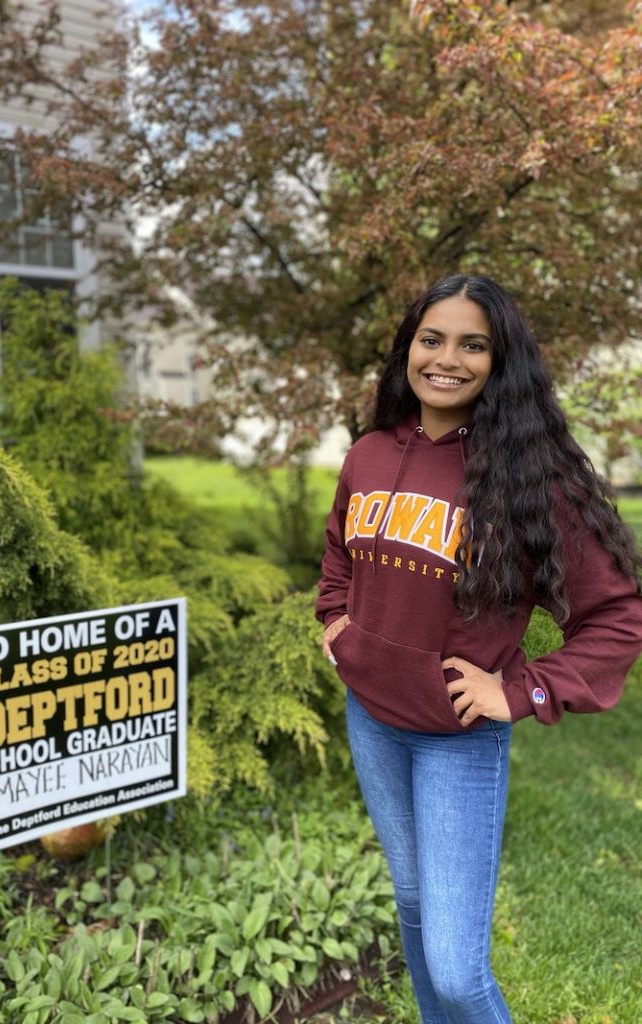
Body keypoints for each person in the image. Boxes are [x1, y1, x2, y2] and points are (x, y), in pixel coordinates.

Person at [316, 274, 642, 1024]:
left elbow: (617, 614)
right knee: (412, 906)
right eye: (432, 339)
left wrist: (520, 690)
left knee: (460, 972)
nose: (447, 359)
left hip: (456, 742)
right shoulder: (368, 453)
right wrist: (337, 622)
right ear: (408, 349)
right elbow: (339, 552)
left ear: (501, 362)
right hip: (372, 719)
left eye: (474, 344)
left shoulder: (533, 480)